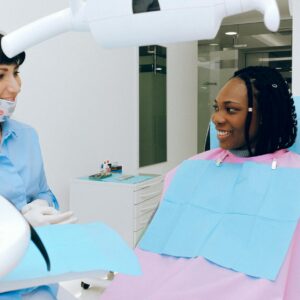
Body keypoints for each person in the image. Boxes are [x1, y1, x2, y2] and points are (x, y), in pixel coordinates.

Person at [100, 66, 300, 300]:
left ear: (265, 115)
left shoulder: (292, 177)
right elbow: (151, 242)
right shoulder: (192, 169)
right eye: (216, 108)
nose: (217, 118)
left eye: (231, 110)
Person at [0, 33, 76, 299]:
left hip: (38, 277)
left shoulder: (26, 137)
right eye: (1, 75)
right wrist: (19, 224)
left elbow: (42, 192)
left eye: (16, 73)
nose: (15, 87)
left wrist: (44, 206)